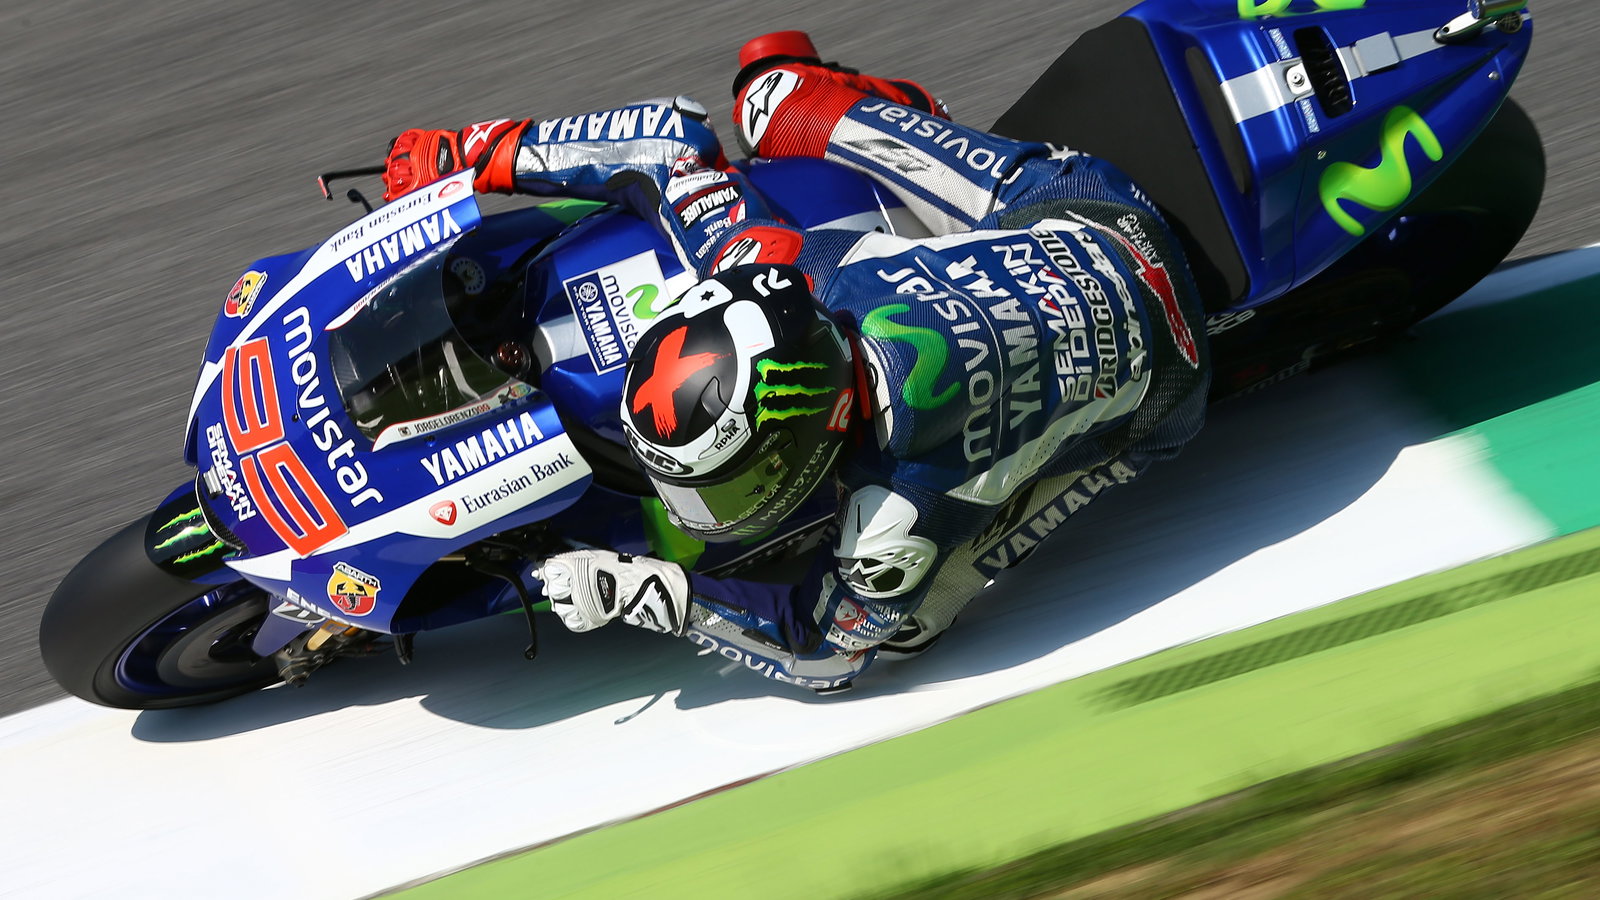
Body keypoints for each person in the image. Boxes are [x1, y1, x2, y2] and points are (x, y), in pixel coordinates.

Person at [381, 32, 1210, 692]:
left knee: (909, 625)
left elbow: (826, 654)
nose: (706, 504)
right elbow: (674, 143)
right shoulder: (796, 277)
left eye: (728, 481)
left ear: (812, 429)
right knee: (774, 98)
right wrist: (476, 153)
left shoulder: (893, 512)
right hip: (1088, 212)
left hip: (1169, 381)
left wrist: (668, 597)